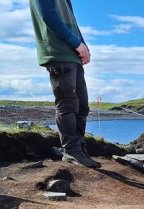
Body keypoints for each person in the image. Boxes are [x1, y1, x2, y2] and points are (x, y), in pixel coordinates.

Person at [29, 0, 100, 168]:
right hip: (59, 52)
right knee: (67, 103)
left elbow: (73, 22)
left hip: (73, 55)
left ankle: (80, 149)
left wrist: (83, 45)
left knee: (82, 105)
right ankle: (71, 151)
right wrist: (76, 42)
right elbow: (48, 15)